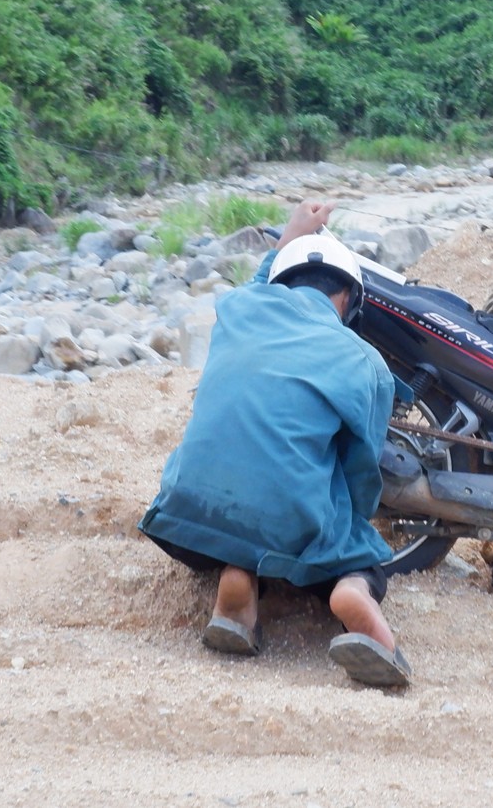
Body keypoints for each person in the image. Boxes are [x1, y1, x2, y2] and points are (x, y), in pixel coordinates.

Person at [137, 200, 411, 687]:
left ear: (278, 283)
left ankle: (237, 582)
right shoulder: (364, 360)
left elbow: (262, 280)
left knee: (241, 504)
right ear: (349, 299)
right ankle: (357, 600)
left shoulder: (237, 308)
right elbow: (361, 469)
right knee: (353, 546)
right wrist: (353, 525)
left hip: (180, 520)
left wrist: (289, 236)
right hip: (285, 529)